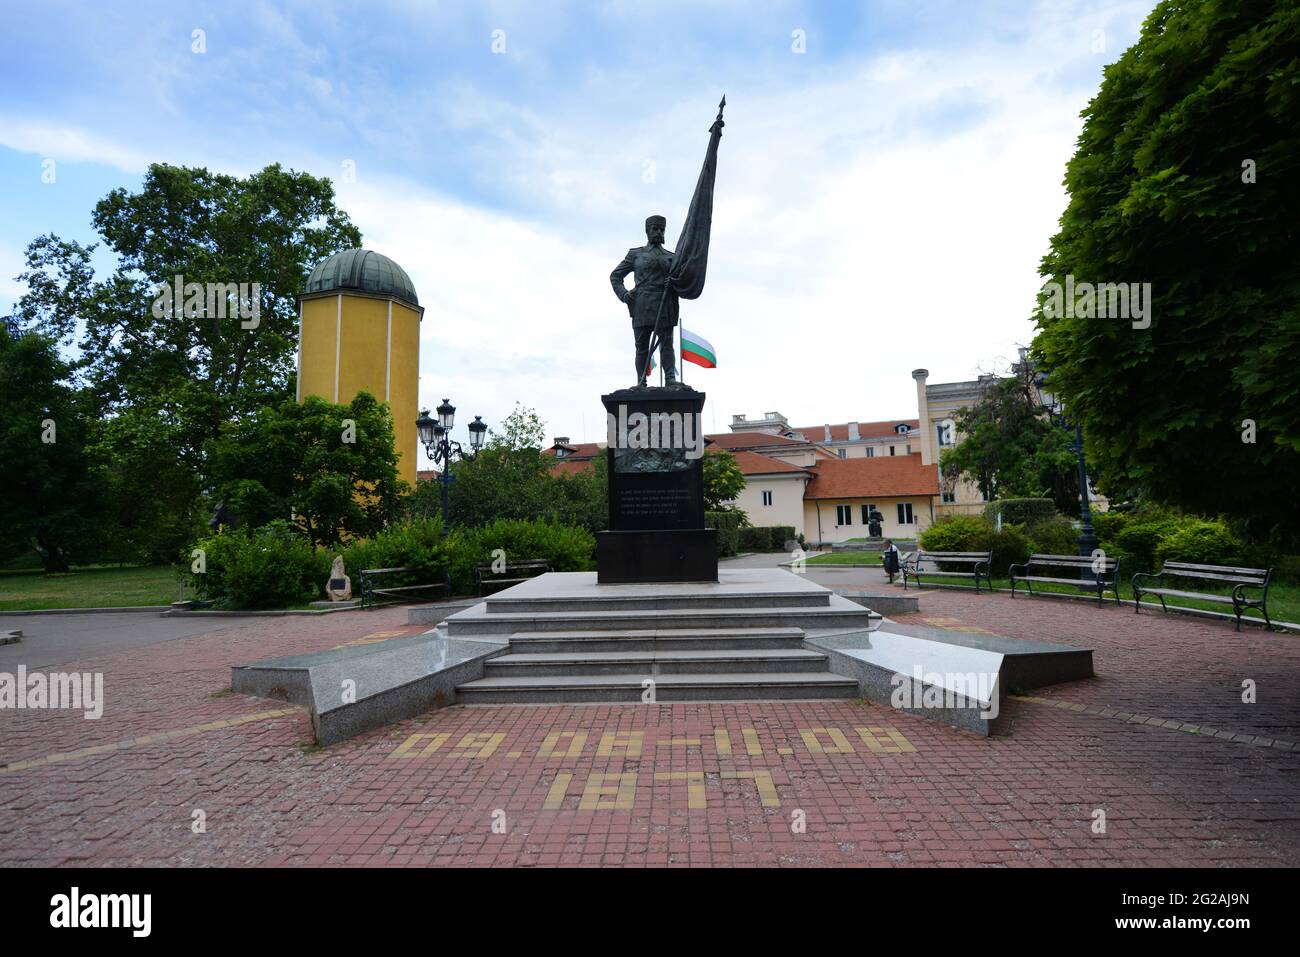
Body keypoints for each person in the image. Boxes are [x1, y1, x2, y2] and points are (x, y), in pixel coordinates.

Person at [610, 215, 680, 387]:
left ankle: (670, 378)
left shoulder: (672, 257)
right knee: (641, 347)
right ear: (647, 231)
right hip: (641, 305)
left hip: (664, 305)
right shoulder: (635, 254)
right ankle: (641, 382)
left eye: (661, 229)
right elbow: (615, 276)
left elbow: (683, 280)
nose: (658, 232)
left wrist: (673, 283)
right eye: (655, 229)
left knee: (667, 345)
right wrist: (624, 295)